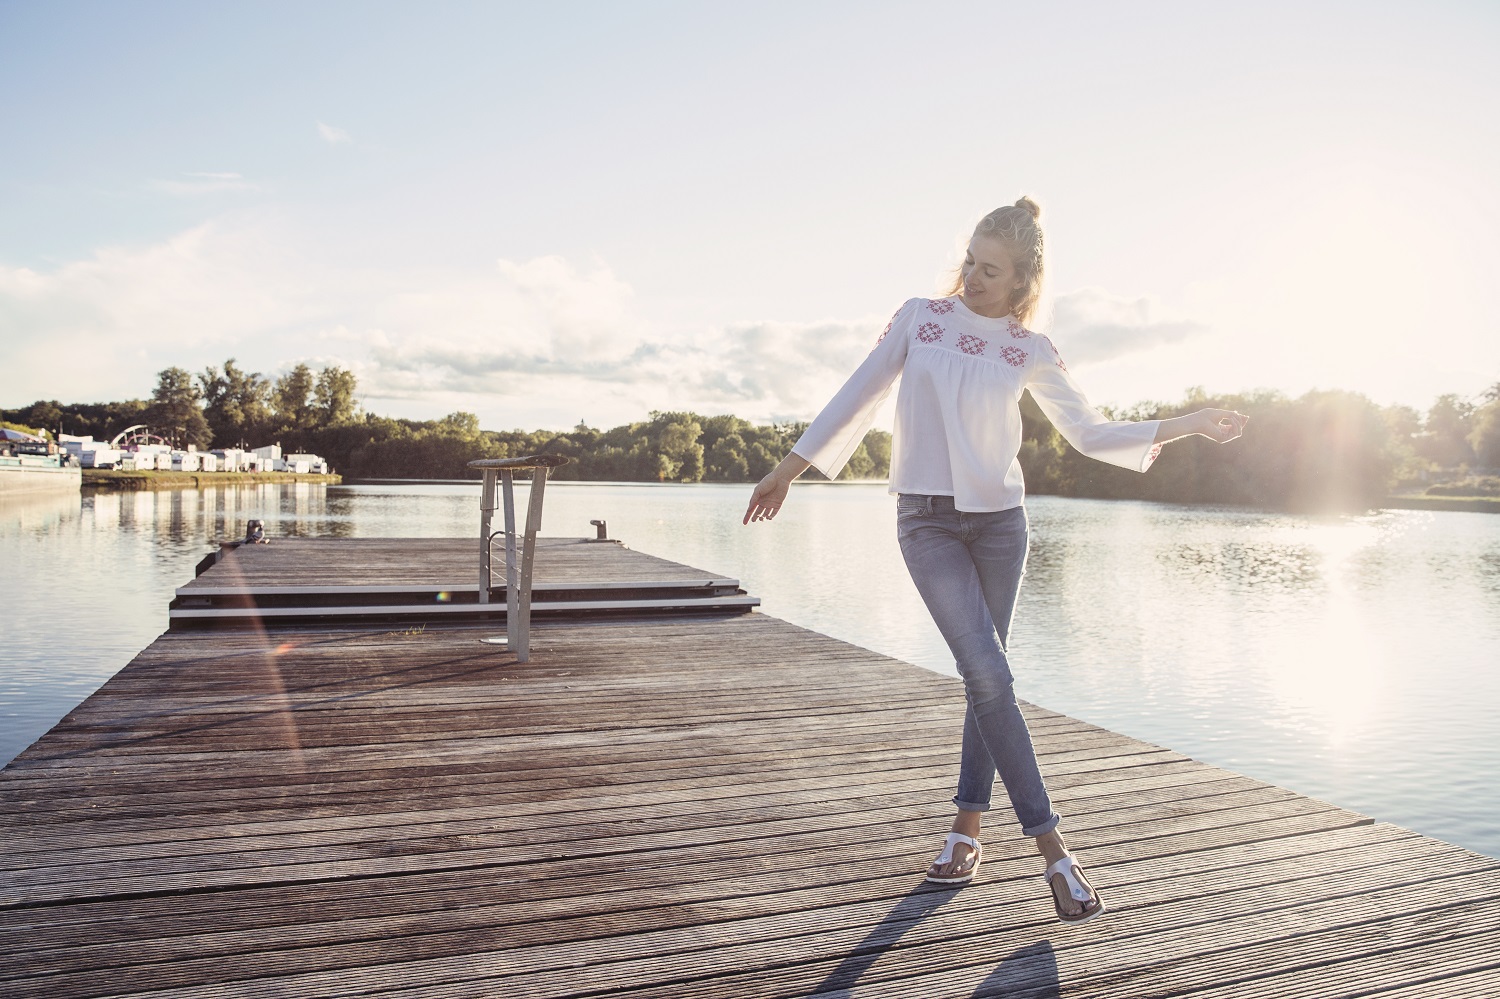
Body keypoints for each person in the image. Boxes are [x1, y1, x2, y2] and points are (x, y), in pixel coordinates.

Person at [742, 197, 1248, 924]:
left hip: (1002, 527)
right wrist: (787, 468)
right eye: (969, 263)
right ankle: (1056, 852)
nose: (972, 280)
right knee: (989, 672)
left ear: (1021, 286)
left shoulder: (1029, 349)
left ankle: (966, 832)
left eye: (990, 272)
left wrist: (1194, 422)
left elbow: (1091, 432)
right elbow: (860, 389)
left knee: (990, 678)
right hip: (927, 522)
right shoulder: (921, 317)